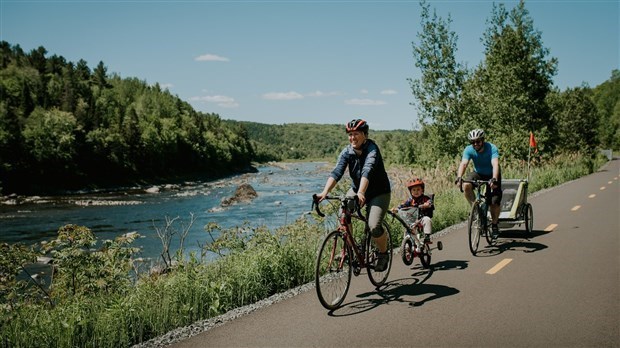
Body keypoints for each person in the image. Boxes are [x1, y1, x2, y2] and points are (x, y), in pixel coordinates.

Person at [316, 118, 392, 271]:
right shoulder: (347, 152)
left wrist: (362, 192)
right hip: (357, 190)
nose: (352, 138)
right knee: (343, 213)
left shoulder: (372, 149)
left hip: (378, 192)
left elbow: (367, 171)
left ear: (365, 134)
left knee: (373, 226)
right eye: (350, 134)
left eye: (356, 134)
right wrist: (325, 192)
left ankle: (383, 254)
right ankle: (352, 250)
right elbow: (337, 172)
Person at [455, 128, 502, 239]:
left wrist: (494, 179)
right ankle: (476, 210)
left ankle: (494, 225)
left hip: (492, 174)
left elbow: (495, 164)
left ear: (483, 140)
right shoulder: (468, 149)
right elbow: (464, 164)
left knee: (494, 202)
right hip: (478, 173)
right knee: (466, 184)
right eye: (473, 142)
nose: (475, 144)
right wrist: (459, 177)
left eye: (478, 141)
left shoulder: (492, 148)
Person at [391, 178, 434, 248]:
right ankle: (407, 244)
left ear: (422, 190)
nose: (416, 192)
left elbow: (430, 202)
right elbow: (402, 206)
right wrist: (396, 209)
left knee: (427, 220)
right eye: (414, 190)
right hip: (412, 220)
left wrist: (427, 204)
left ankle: (427, 236)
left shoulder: (425, 198)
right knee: (407, 228)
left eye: (418, 189)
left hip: (421, 218)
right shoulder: (410, 200)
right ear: (411, 191)